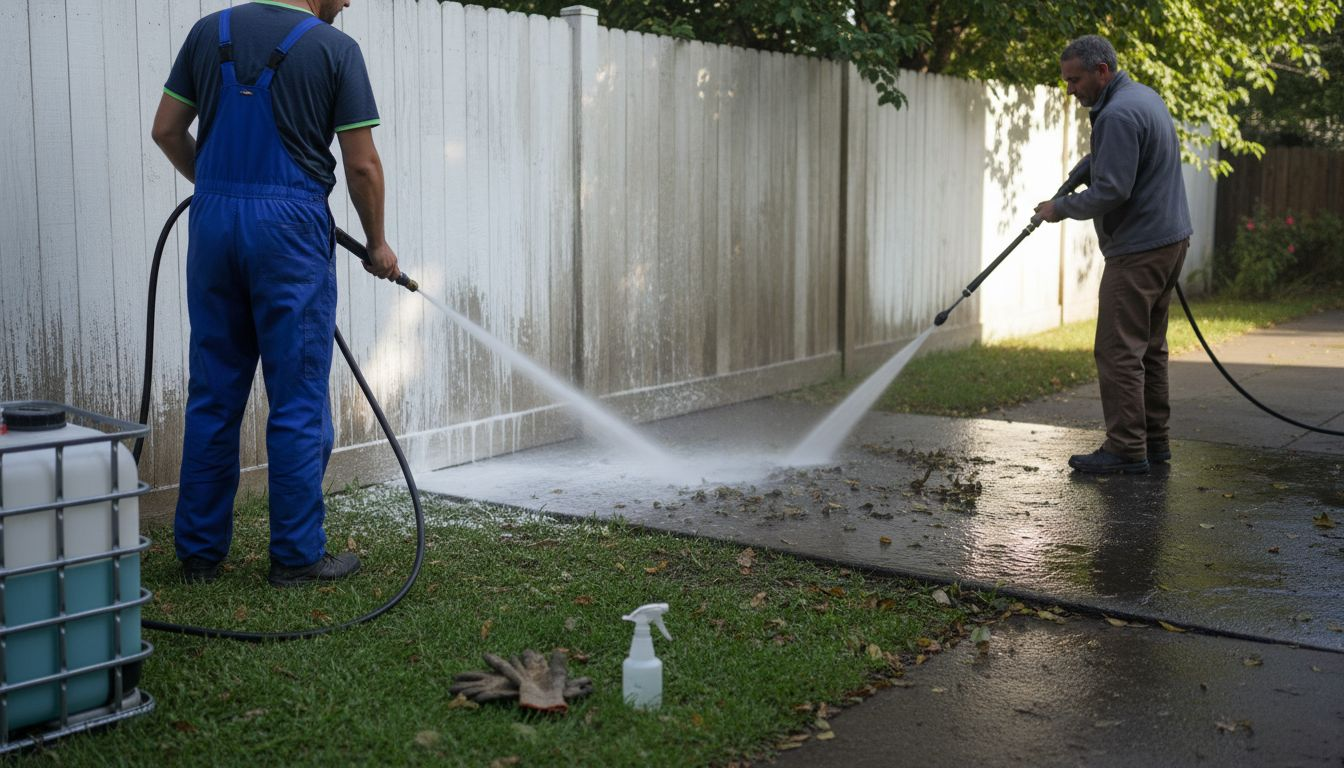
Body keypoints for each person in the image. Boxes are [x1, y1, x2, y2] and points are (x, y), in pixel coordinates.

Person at [152, 0, 400, 585]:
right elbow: (362, 166)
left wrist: (218, 186)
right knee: (296, 395)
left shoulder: (207, 32)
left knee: (213, 391)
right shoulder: (336, 50)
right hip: (288, 232)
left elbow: (165, 129)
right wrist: (377, 243)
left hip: (213, 222)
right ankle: (294, 557)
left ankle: (199, 557)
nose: (348, 3)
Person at [1034, 34, 1192, 476]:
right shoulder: (1141, 97)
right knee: (1149, 349)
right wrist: (1087, 165)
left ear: (1101, 71)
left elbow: (1112, 190)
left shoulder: (1117, 115)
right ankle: (1153, 442)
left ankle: (1125, 448)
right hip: (1170, 240)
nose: (1070, 89)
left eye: (1075, 79)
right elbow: (1124, 161)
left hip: (1139, 249)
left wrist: (1058, 208)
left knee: (1118, 349)